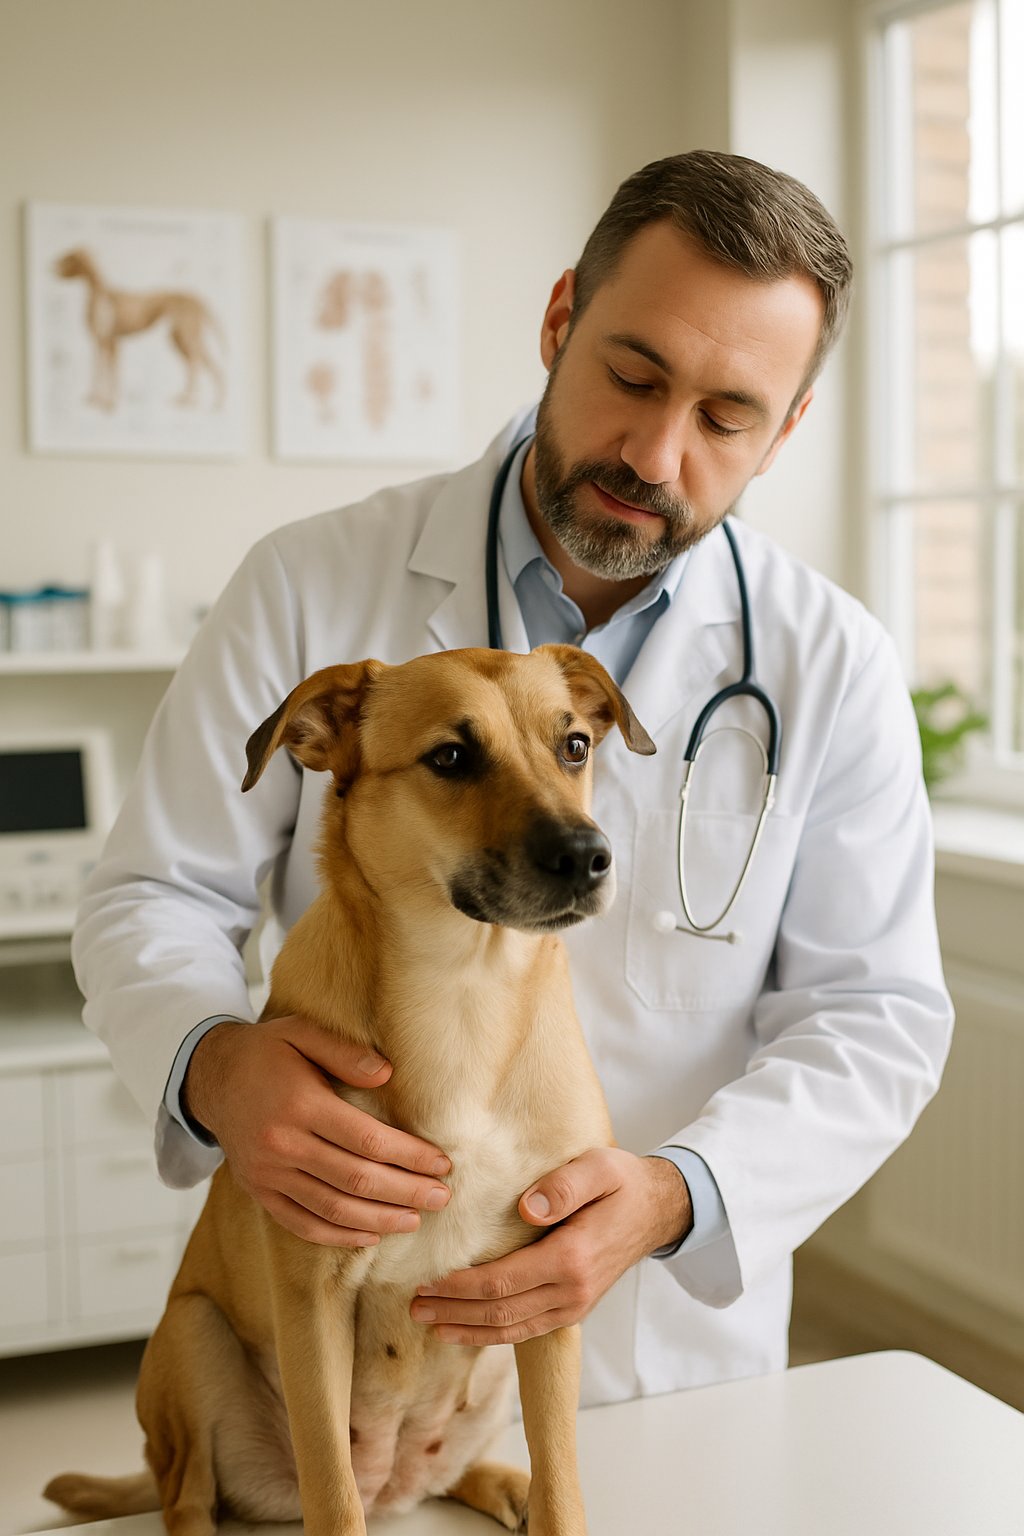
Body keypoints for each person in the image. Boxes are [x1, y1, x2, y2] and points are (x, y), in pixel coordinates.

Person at [74, 150, 953, 1407]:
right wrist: (216, 1061)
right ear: (559, 320)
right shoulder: (309, 582)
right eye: (631, 376)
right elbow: (154, 891)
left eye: (724, 418)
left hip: (655, 1365)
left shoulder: (831, 663)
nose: (653, 454)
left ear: (788, 428)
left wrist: (676, 1195)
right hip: (347, 1335)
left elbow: (876, 1013)